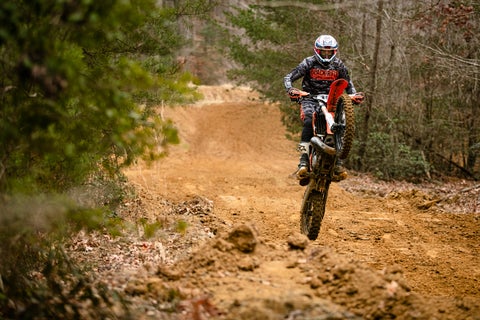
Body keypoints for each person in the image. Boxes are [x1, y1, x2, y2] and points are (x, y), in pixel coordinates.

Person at [284, 34, 363, 184]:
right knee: (308, 121)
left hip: (332, 100)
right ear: (317, 51)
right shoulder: (309, 62)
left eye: (329, 52)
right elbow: (289, 77)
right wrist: (291, 90)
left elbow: (348, 83)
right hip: (310, 97)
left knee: (341, 125)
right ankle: (303, 161)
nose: (326, 55)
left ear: (334, 52)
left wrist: (353, 95)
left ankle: (338, 164)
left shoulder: (339, 65)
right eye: (323, 52)